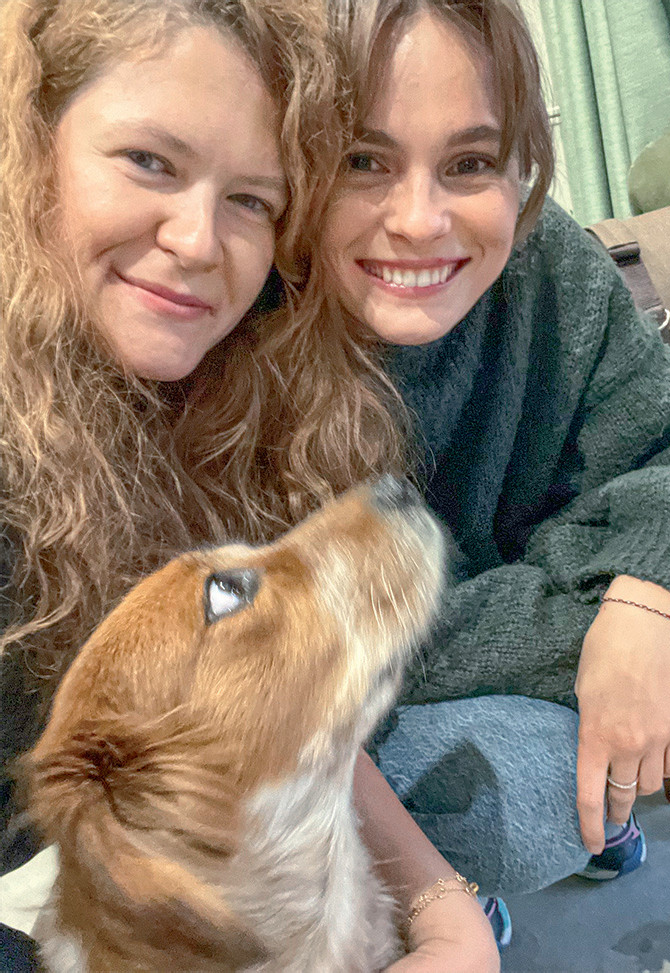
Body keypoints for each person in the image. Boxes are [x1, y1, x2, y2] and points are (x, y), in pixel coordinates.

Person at [2, 2, 503, 970]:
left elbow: (261, 712)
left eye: (251, 200)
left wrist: (443, 907)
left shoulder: (219, 379)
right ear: (30, 151)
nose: (198, 239)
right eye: (149, 161)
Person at [316, 0, 670, 963]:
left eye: (469, 163)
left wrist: (647, 600)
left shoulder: (551, 267)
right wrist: (609, 622)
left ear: (523, 166)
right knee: (527, 795)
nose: (418, 221)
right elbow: (333, 661)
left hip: (479, 644)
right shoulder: (255, 336)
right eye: (363, 160)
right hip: (346, 721)